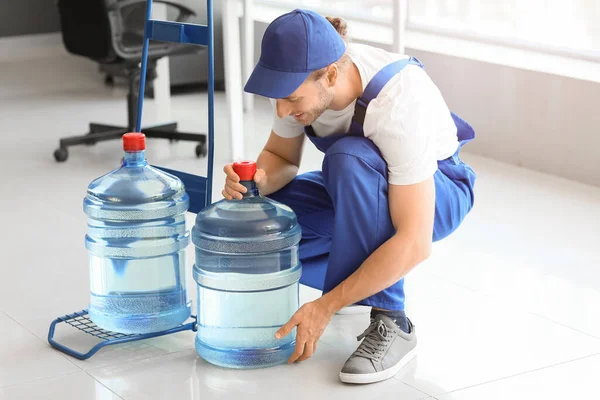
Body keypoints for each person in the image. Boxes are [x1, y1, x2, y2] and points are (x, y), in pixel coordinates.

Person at [222, 9, 476, 384]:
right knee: (259, 223)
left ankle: (393, 321)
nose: (282, 111)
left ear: (331, 76)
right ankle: (357, 285)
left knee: (347, 159)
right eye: (276, 99)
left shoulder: (399, 102)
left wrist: (325, 306)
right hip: (359, 189)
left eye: (291, 99)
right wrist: (255, 183)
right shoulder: (298, 84)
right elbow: (280, 158)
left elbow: (415, 241)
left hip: (440, 191)